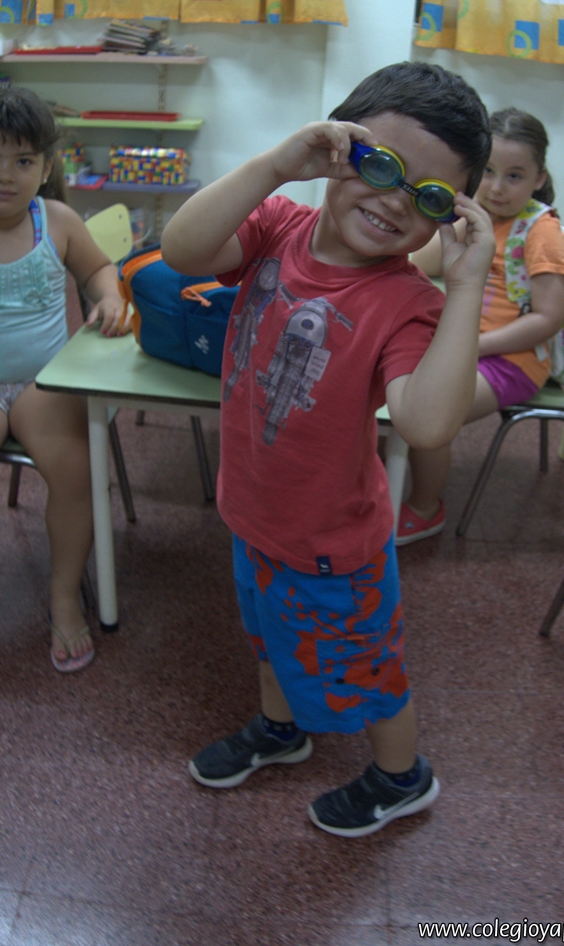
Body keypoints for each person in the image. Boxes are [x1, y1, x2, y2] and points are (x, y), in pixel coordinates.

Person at [161, 62, 494, 837]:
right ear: (336, 149)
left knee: (369, 675)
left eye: (428, 196)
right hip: (252, 513)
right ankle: (282, 729)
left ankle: (401, 776)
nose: (394, 201)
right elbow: (181, 249)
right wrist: (275, 165)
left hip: (331, 549)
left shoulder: (406, 303)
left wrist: (465, 286)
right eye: (380, 165)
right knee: (268, 640)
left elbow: (426, 424)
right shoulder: (276, 224)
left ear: (447, 216)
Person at [396, 107, 564, 545]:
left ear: (539, 178)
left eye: (514, 176)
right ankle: (381, 477)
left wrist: (474, 348)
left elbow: (548, 319)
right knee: (390, 397)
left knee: (429, 413)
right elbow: (423, 264)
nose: (497, 187)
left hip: (512, 361)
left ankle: (426, 508)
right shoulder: (483, 216)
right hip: (464, 345)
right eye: (489, 172)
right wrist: (452, 218)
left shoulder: (542, 232)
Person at [0, 86, 128, 672]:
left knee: (77, 473)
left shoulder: (56, 221)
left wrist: (108, 296)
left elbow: (100, 269)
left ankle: (63, 595)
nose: (6, 175)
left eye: (23, 160)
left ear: (47, 166)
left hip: (43, 384)